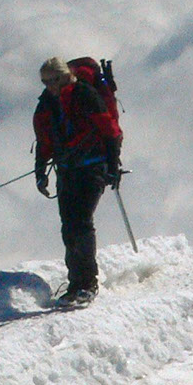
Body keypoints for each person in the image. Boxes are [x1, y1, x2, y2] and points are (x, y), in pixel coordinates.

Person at [32, 56, 122, 307]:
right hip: (68, 169)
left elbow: (109, 130)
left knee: (80, 222)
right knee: (69, 225)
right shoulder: (47, 104)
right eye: (45, 81)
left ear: (64, 76)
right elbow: (44, 140)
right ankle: (77, 283)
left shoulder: (84, 95)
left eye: (52, 80)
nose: (49, 86)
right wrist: (40, 170)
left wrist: (112, 164)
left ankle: (87, 284)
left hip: (92, 166)